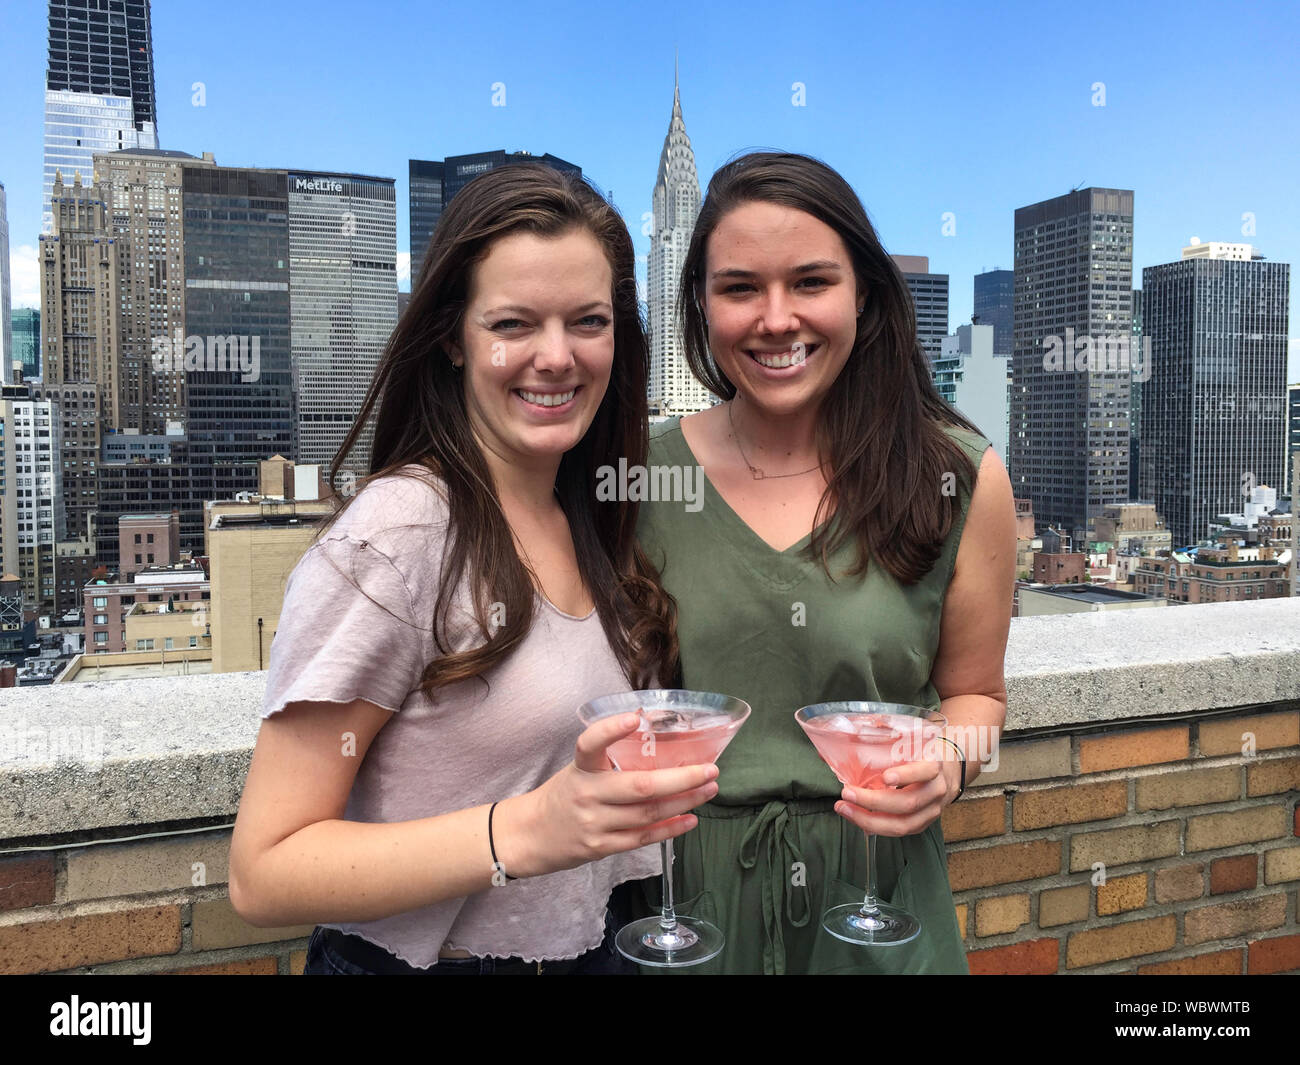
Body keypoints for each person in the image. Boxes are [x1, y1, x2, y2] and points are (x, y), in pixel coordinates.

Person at [229, 163, 718, 975]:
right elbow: (262, 871)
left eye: (588, 321)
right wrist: (524, 830)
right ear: (454, 339)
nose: (556, 356)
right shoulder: (400, 532)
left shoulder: (585, 513)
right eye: (514, 323)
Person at [623, 151, 1017, 974]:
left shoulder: (958, 474)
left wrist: (948, 759)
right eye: (740, 288)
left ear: (863, 292)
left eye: (810, 282)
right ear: (698, 300)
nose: (776, 318)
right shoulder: (634, 478)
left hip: (876, 900)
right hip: (679, 912)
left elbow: (976, 697)